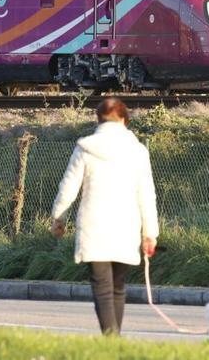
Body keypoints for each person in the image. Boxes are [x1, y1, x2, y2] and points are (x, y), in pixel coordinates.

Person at [50, 97, 159, 336]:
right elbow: (146, 194)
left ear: (98, 119)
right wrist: (150, 233)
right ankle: (114, 340)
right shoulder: (138, 151)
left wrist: (59, 218)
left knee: (102, 287)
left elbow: (68, 187)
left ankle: (111, 340)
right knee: (118, 287)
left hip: (94, 225)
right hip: (126, 224)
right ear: (124, 120)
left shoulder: (85, 148)